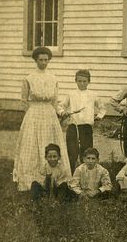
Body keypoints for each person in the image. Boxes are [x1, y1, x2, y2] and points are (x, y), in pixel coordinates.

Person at [13, 47, 71, 191]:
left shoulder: (53, 78)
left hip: (49, 114)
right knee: (31, 145)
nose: (44, 62)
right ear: (35, 60)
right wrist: (30, 116)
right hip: (34, 114)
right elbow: (24, 101)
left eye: (46, 60)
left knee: (51, 142)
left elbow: (55, 101)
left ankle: (56, 177)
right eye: (41, 60)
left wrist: (60, 113)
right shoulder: (28, 78)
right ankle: (32, 179)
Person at [58, 69, 107, 171]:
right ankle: (70, 174)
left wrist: (99, 116)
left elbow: (102, 108)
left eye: (84, 81)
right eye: (79, 81)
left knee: (86, 152)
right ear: (76, 81)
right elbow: (60, 106)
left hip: (86, 128)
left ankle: (85, 174)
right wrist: (63, 112)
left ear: (89, 81)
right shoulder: (71, 94)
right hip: (73, 127)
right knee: (72, 152)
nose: (82, 83)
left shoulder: (93, 95)